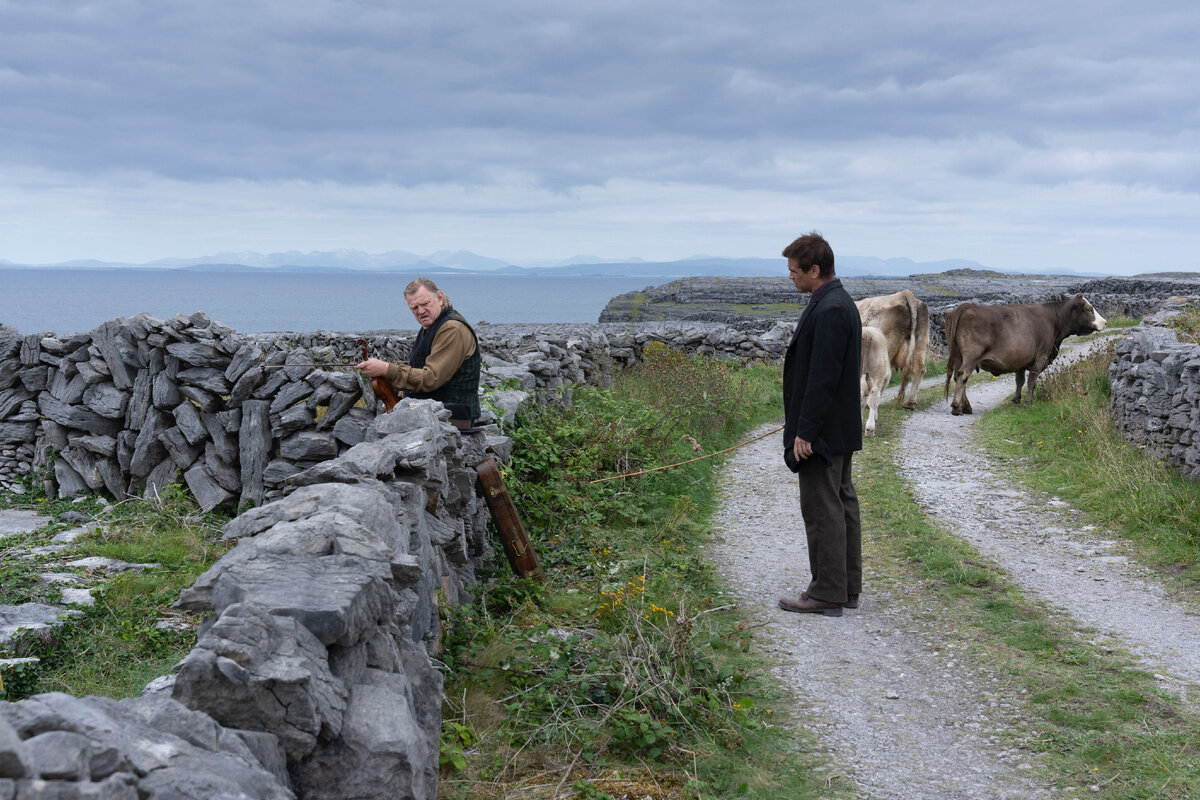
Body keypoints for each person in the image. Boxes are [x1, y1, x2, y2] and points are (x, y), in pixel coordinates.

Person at [777, 232, 864, 617]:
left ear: (815, 270)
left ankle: (827, 592)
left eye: (795, 271)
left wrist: (805, 432)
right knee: (842, 503)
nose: (791, 277)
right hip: (838, 428)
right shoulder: (839, 302)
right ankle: (847, 587)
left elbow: (823, 378)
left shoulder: (830, 309)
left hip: (823, 433)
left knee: (823, 507)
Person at [356, 277, 482, 426]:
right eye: (414, 308)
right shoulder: (431, 325)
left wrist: (386, 369)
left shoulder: (452, 329)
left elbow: (431, 378)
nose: (420, 311)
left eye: (425, 304)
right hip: (435, 412)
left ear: (440, 298)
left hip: (453, 417)